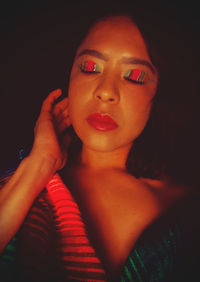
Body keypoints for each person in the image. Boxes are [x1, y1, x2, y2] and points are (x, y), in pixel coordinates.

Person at [0, 9, 198, 282]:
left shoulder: (184, 212)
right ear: (70, 76)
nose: (106, 91)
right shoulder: (21, 172)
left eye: (135, 76)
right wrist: (40, 164)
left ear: (158, 94)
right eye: (90, 67)